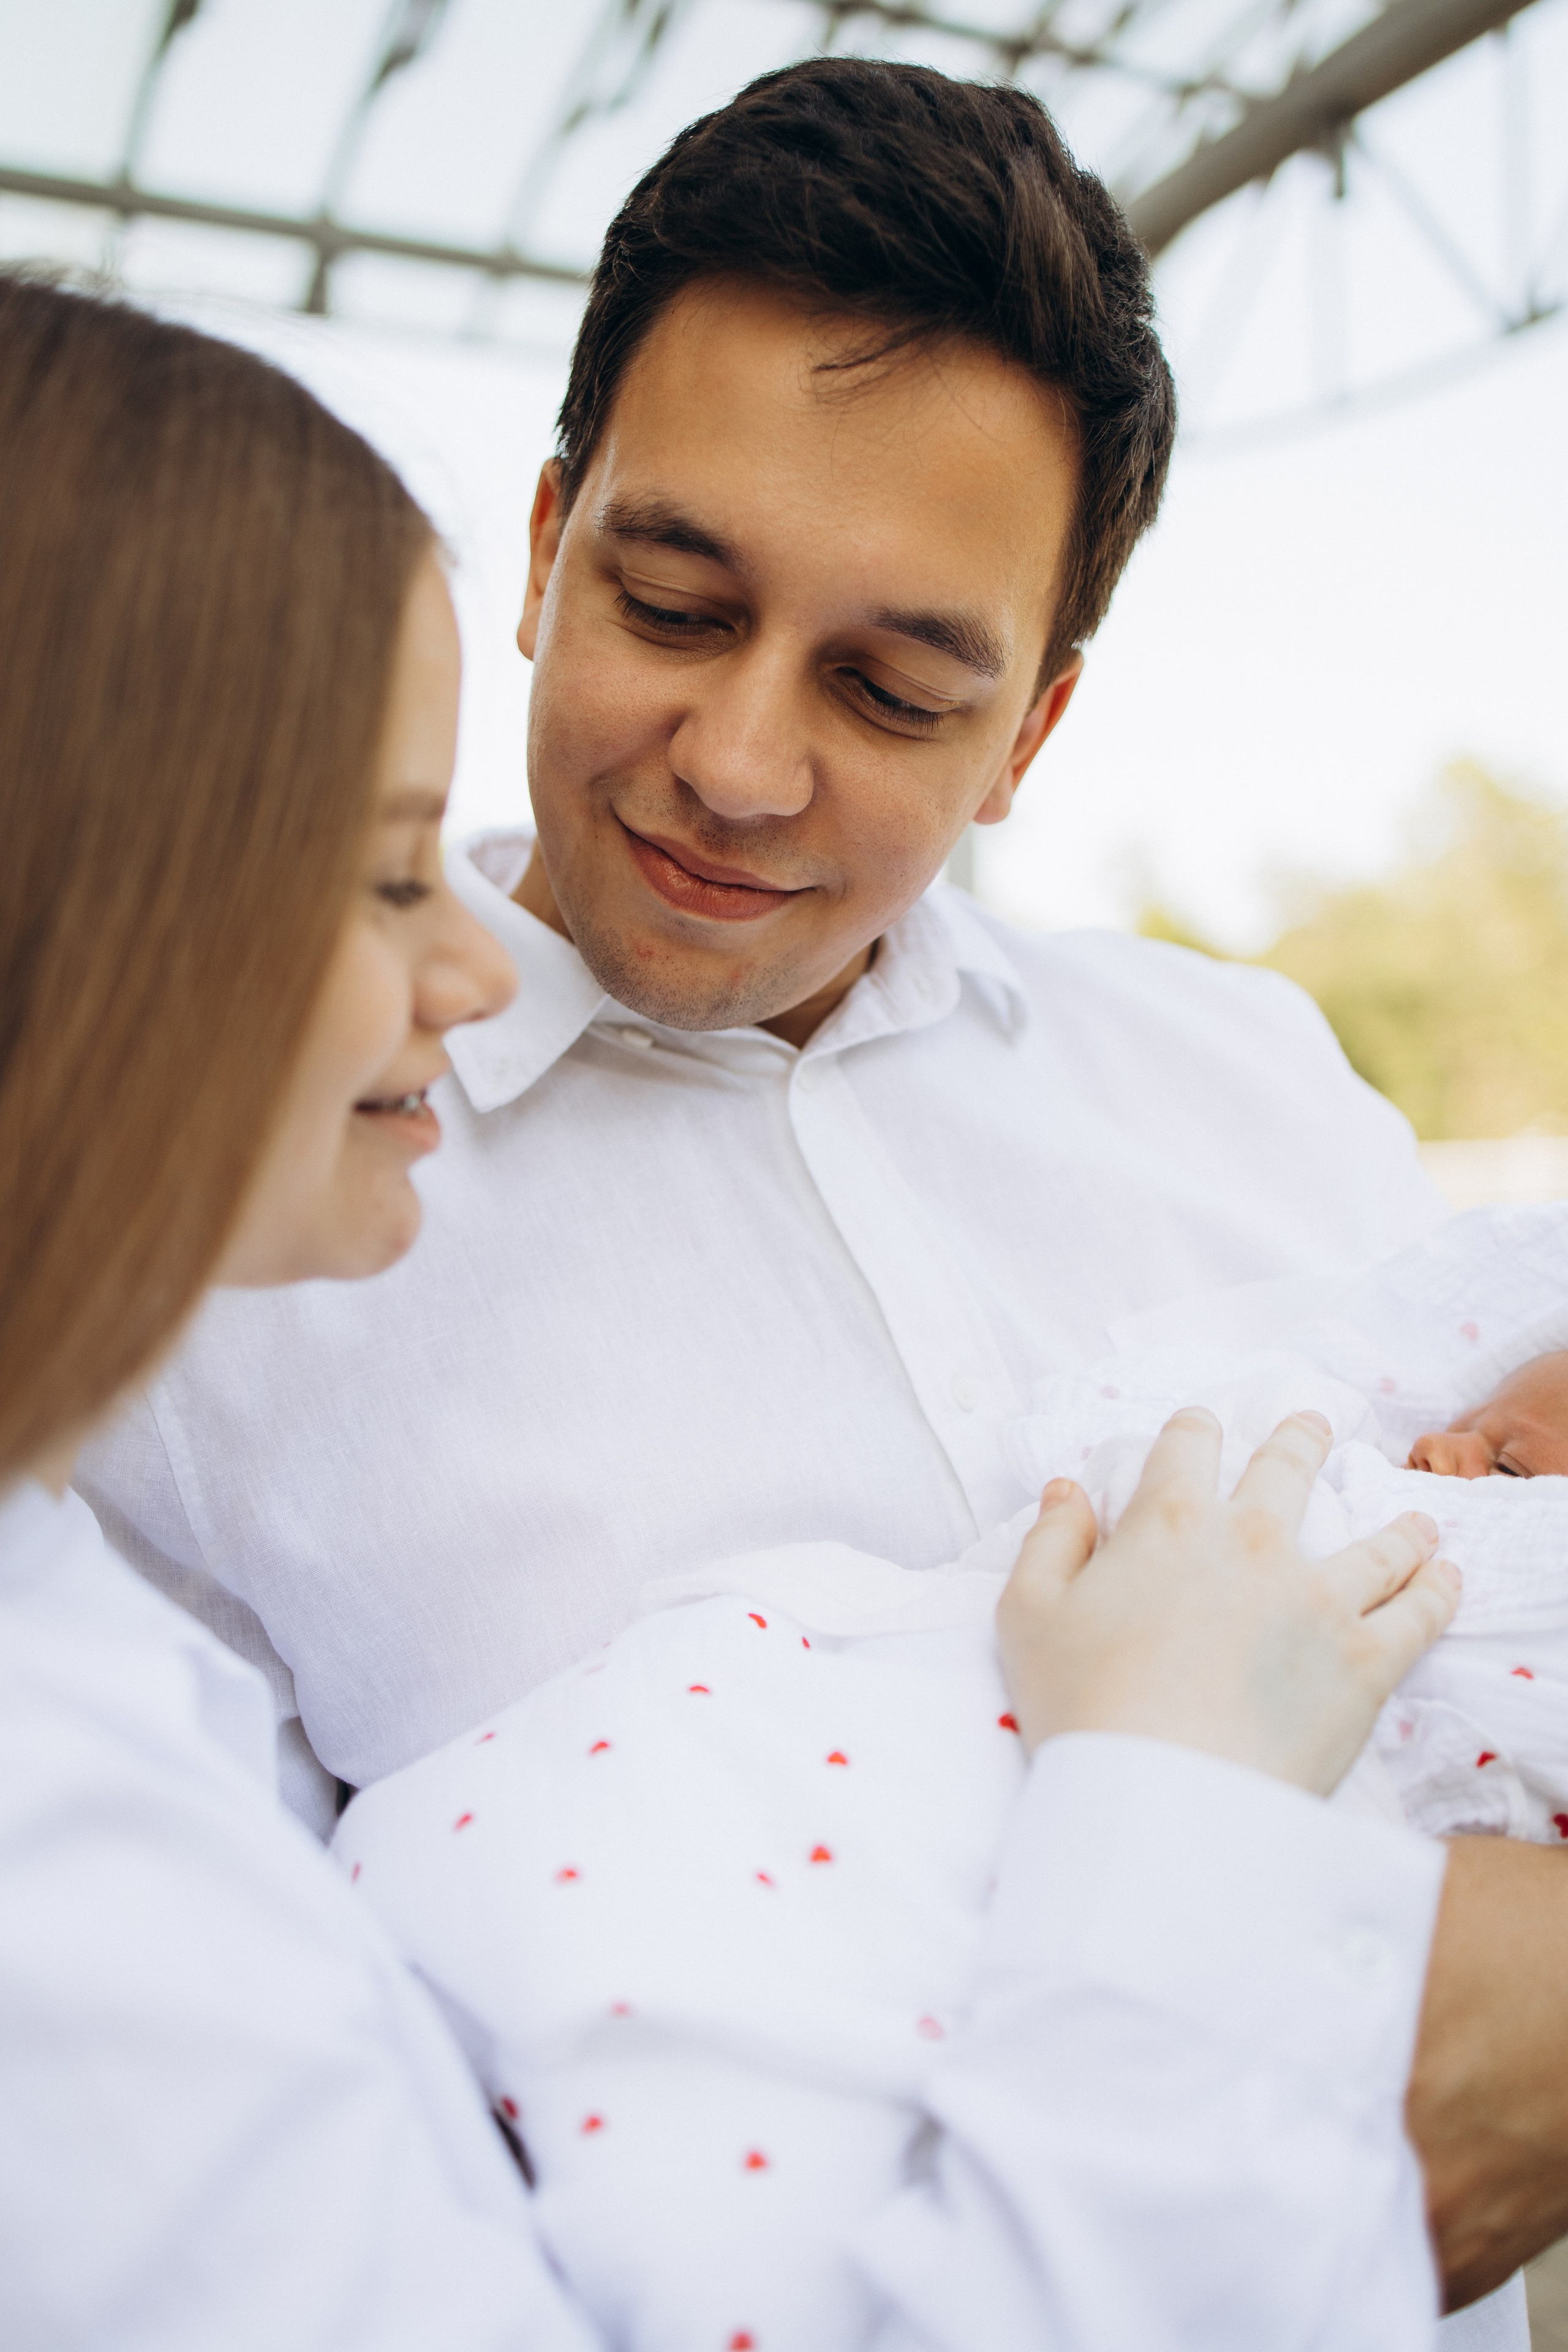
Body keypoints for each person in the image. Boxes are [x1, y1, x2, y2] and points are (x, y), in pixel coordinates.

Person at [77, 60, 1567, 2329]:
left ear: (1036, 731)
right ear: (557, 538)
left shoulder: (1246, 1083)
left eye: (890, 689)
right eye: (675, 604)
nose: (743, 763)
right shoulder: (222, 1257)